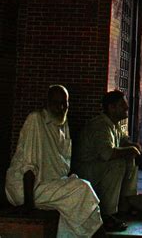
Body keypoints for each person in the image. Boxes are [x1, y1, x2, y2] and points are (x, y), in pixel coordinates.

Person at [5, 85, 104, 237]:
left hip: (49, 183)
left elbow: (62, 166)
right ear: (47, 103)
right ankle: (100, 235)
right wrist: (29, 206)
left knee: (77, 196)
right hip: (27, 189)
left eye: (65, 103)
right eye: (56, 103)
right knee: (82, 189)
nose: (61, 108)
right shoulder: (36, 120)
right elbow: (28, 167)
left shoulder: (63, 125)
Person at [76, 90, 141, 232]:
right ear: (111, 108)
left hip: (98, 167)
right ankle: (107, 214)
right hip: (87, 170)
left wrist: (132, 146)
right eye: (122, 105)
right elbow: (107, 153)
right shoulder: (100, 126)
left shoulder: (113, 124)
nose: (126, 108)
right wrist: (130, 150)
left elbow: (123, 141)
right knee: (117, 164)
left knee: (129, 157)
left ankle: (123, 203)